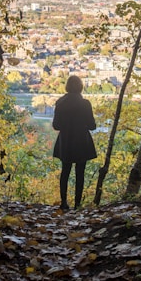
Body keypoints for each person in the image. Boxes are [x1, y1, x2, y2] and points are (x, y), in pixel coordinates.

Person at [52, 75, 97, 210]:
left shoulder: (60, 102)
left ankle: (64, 202)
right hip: (82, 141)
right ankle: (77, 205)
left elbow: (56, 125)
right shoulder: (85, 104)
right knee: (80, 173)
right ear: (81, 87)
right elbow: (92, 126)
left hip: (65, 141)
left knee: (65, 171)